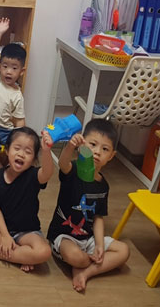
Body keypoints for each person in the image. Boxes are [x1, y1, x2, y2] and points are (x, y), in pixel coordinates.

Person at [47, 119, 130, 292]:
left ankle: (85, 272)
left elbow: (98, 217)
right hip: (64, 236)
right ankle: (82, 263)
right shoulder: (73, 170)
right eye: (93, 145)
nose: (97, 152)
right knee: (75, 256)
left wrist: (99, 244)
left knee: (124, 251)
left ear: (111, 156)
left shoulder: (103, 186)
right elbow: (63, 164)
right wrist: (70, 146)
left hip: (88, 238)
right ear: (82, 144)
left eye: (105, 149)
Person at [0, 127, 55, 272]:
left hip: (26, 231)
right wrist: (5, 235)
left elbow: (47, 172)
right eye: (17, 148)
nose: (21, 154)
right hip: (1, 226)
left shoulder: (34, 175)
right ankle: (21, 255)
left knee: (44, 251)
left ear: (34, 159)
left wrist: (46, 151)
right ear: (7, 150)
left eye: (28, 152)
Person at [0, 17, 26, 169]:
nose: (8, 71)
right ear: (0, 66)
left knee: (18, 150)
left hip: (8, 130)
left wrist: (20, 138)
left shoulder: (17, 95)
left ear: (21, 72)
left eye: (14, 68)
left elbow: (20, 121)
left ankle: (10, 171)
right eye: (5, 66)